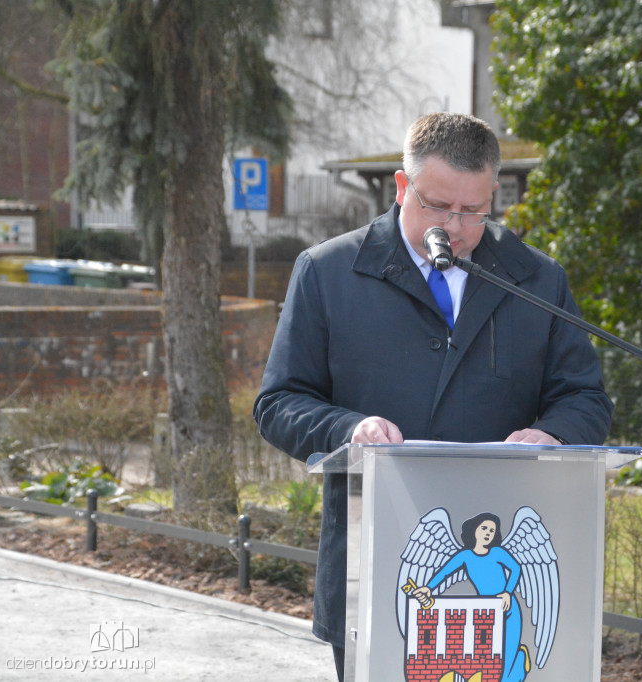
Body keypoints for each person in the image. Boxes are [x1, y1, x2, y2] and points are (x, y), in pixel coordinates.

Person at [253, 112, 613, 680]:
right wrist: (349, 429)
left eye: (473, 209)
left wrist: (553, 433)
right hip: (372, 562)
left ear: (493, 192)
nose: (458, 225)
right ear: (402, 188)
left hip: (499, 570)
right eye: (439, 205)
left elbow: (585, 399)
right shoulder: (328, 272)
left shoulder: (537, 280)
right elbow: (278, 403)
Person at [411, 512, 529, 682]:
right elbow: (444, 572)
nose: (488, 532)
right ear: (475, 530)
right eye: (484, 528)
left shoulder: (497, 552)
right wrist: (429, 588)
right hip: (486, 613)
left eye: (492, 530)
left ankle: (517, 660)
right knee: (492, 659)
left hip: (508, 608)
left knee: (507, 659)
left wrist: (507, 592)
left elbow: (516, 569)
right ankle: (520, 660)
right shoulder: (465, 556)